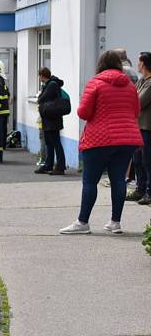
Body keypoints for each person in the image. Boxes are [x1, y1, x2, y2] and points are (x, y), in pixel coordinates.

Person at [60, 50, 143, 234]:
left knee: (90, 180)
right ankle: (115, 222)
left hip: (100, 139)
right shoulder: (130, 85)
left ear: (100, 64)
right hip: (127, 139)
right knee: (119, 180)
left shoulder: (95, 84)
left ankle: (83, 222)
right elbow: (136, 111)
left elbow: (83, 113)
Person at [127, 52, 151, 204]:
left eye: (139, 61)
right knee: (137, 160)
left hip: (147, 127)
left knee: (147, 160)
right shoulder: (142, 80)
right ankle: (140, 189)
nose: (137, 64)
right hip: (137, 126)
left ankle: (149, 192)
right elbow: (132, 97)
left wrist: (132, 100)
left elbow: (138, 102)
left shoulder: (150, 83)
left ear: (143, 64)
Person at [35, 68, 67, 175]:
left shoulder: (52, 85)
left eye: (39, 76)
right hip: (49, 119)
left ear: (42, 75)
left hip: (53, 119)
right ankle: (48, 165)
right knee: (49, 142)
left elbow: (41, 99)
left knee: (56, 142)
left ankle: (60, 166)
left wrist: (40, 97)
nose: (39, 78)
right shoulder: (49, 84)